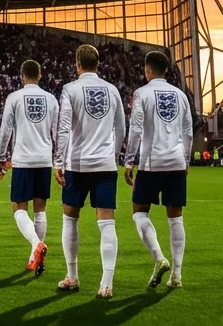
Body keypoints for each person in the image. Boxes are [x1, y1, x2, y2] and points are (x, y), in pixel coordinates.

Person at [55, 44, 126, 298]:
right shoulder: (112, 90)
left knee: (70, 219)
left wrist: (58, 161)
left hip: (78, 164)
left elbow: (63, 128)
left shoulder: (70, 90)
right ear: (98, 64)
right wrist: (114, 155)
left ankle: (72, 277)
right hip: (105, 165)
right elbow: (121, 127)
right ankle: (106, 284)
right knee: (106, 223)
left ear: (77, 64)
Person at [124, 51, 193, 290]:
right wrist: (186, 160)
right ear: (166, 71)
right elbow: (188, 132)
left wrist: (129, 160)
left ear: (148, 70)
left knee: (139, 213)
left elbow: (135, 130)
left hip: (151, 163)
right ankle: (177, 275)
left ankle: (159, 257)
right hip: (175, 162)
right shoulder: (181, 95)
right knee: (176, 218)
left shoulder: (142, 93)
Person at [0, 59, 58, 277]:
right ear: (40, 75)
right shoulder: (51, 99)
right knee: (40, 209)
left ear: (22, 76)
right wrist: (58, 160)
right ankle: (36, 256)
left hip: (23, 159)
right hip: (44, 158)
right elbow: (57, 131)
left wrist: (1, 157)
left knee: (19, 208)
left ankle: (36, 245)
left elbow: (5, 131)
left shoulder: (14, 97)